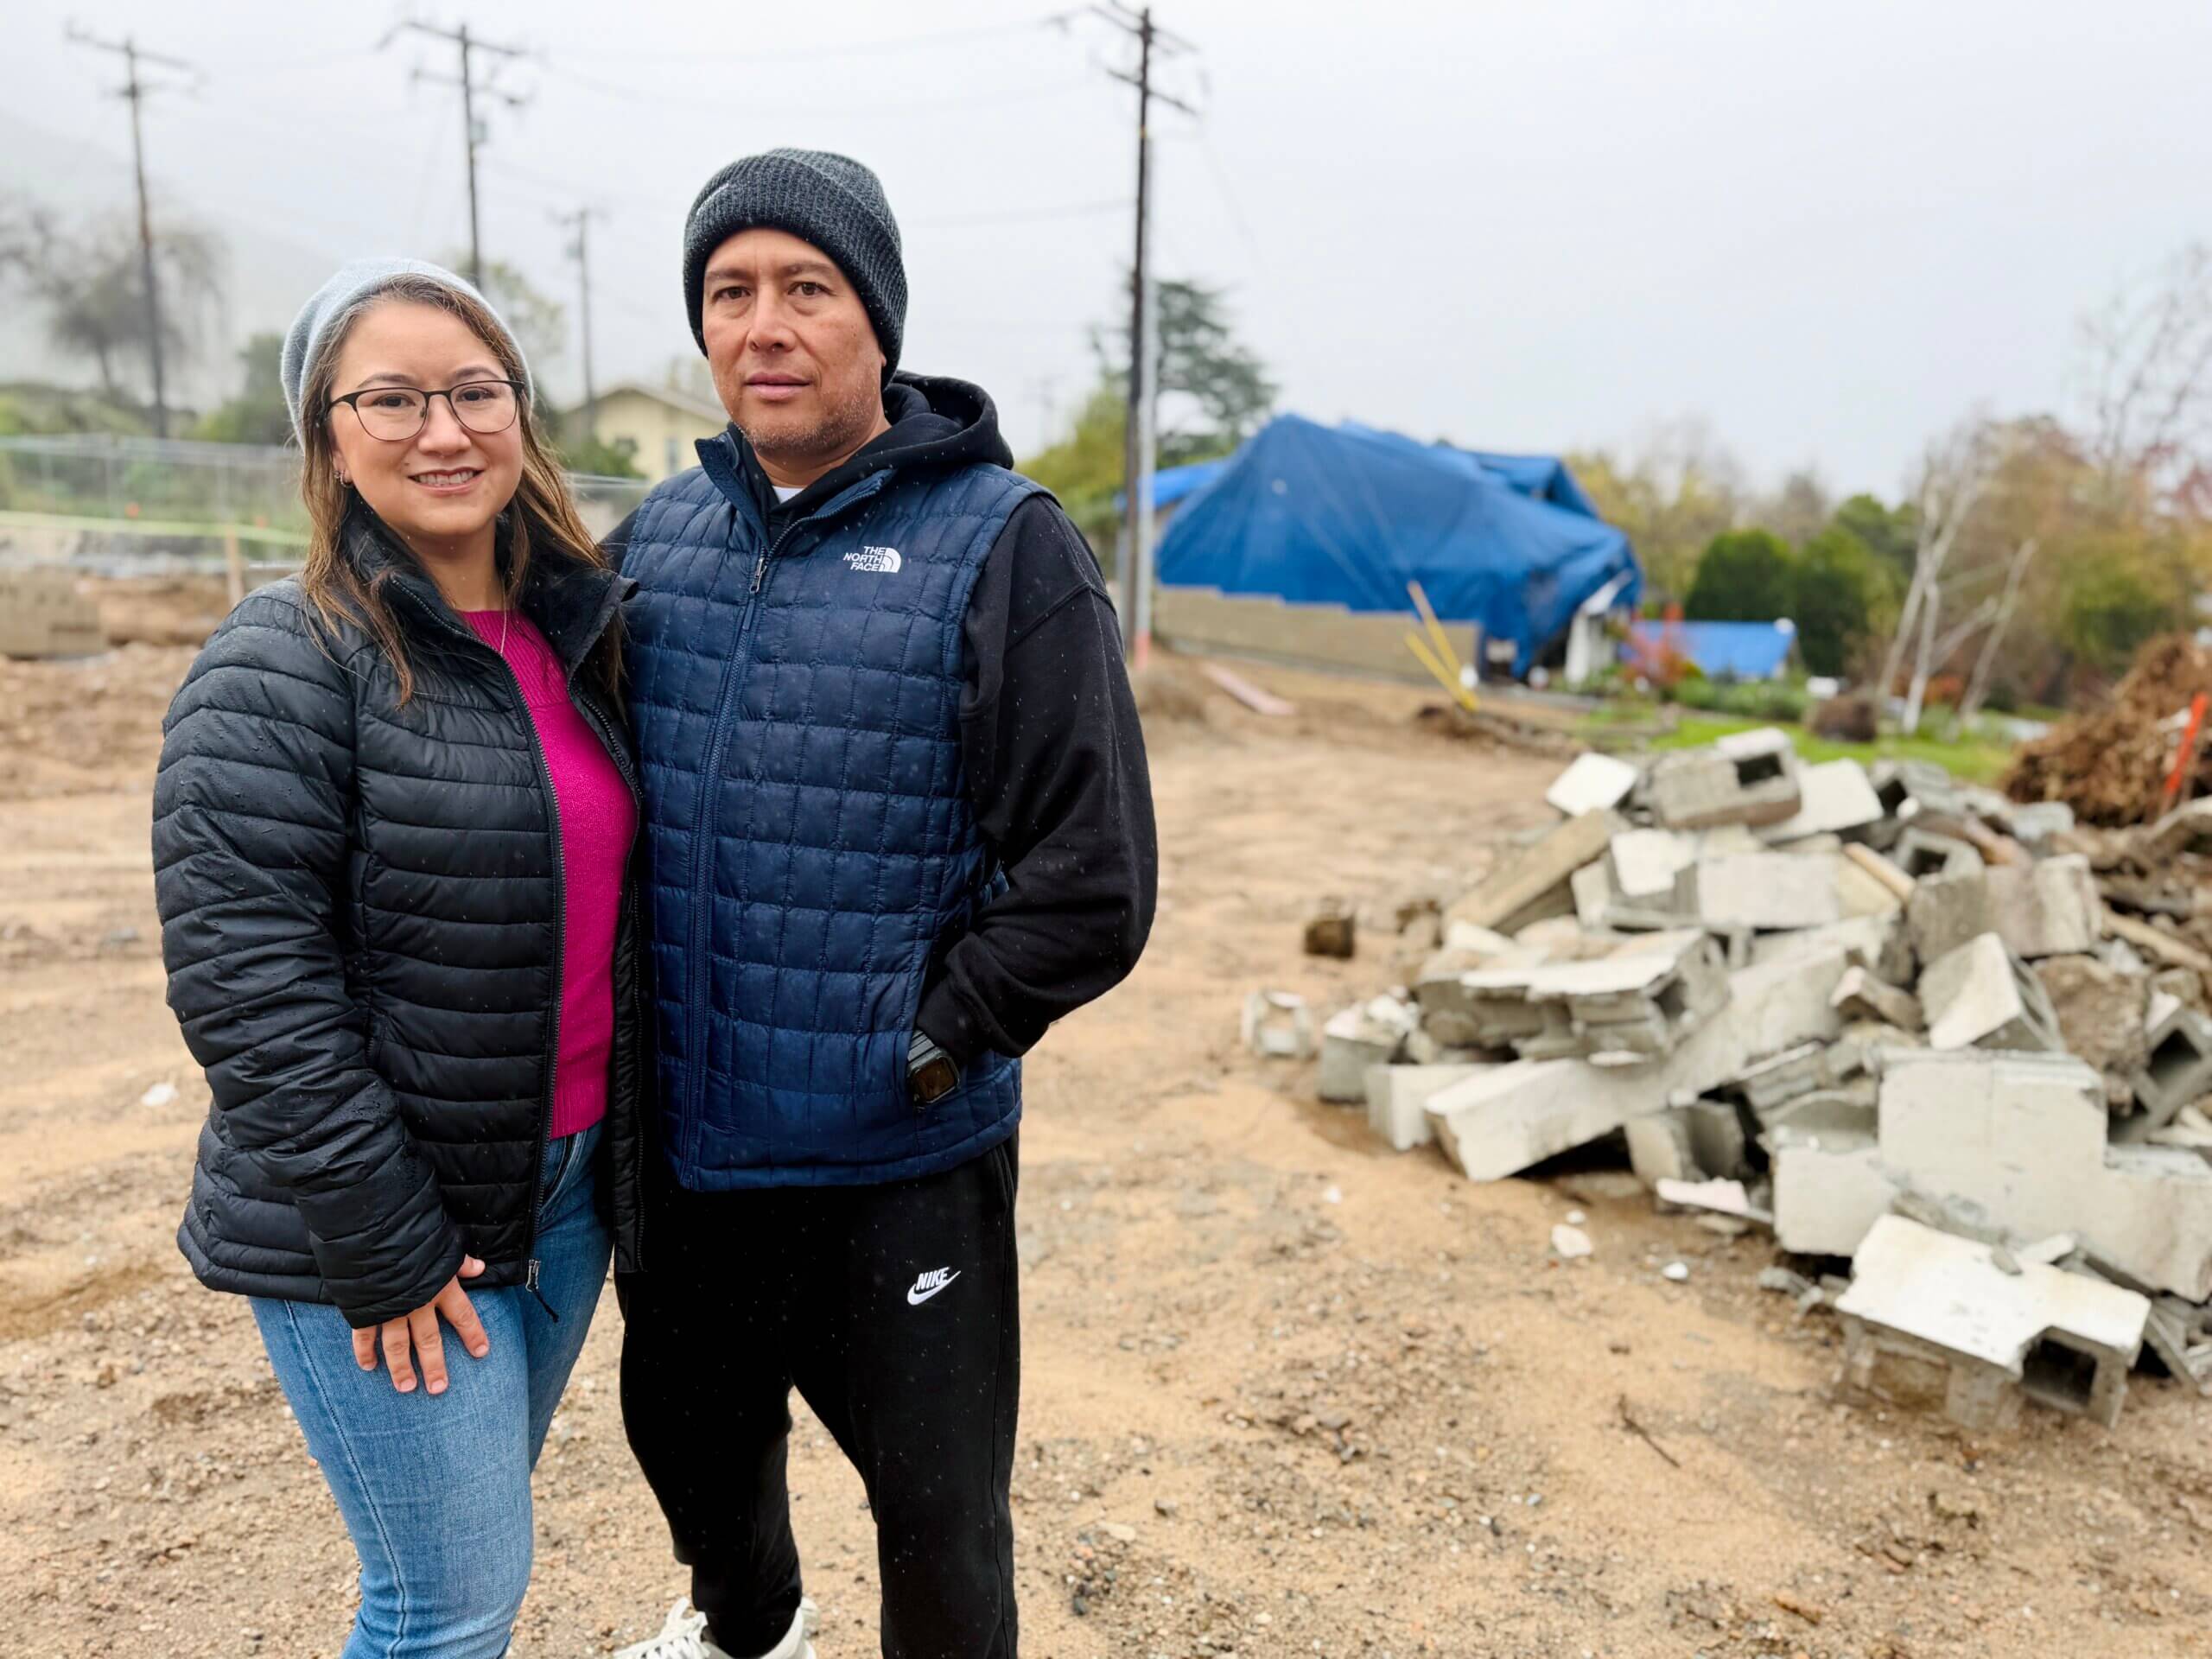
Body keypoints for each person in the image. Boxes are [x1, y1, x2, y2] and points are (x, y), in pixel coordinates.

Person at [608, 149, 1158, 1659]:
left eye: (808, 288)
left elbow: (1093, 880)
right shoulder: (657, 538)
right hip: (694, 1157)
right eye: (731, 292)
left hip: (895, 1161)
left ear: (879, 323)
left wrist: (924, 1043)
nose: (765, 325)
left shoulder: (1003, 544)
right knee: (697, 1466)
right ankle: (745, 1630)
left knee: (938, 1529)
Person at [154, 257, 649, 1659]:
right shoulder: (285, 657)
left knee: (465, 1567)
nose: (444, 430)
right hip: (383, 1223)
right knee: (447, 1607)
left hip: (558, 1200)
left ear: (521, 416)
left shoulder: (582, 634)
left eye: (475, 391)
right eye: (392, 397)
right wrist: (386, 1247)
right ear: (326, 435)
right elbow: (246, 982)